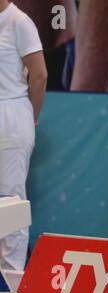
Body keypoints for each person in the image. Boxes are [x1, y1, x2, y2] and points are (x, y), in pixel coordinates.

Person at [0, 0, 48, 270]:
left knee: (10, 199)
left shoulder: (20, 22)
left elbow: (39, 75)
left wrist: (31, 116)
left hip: (12, 114)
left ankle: (11, 276)